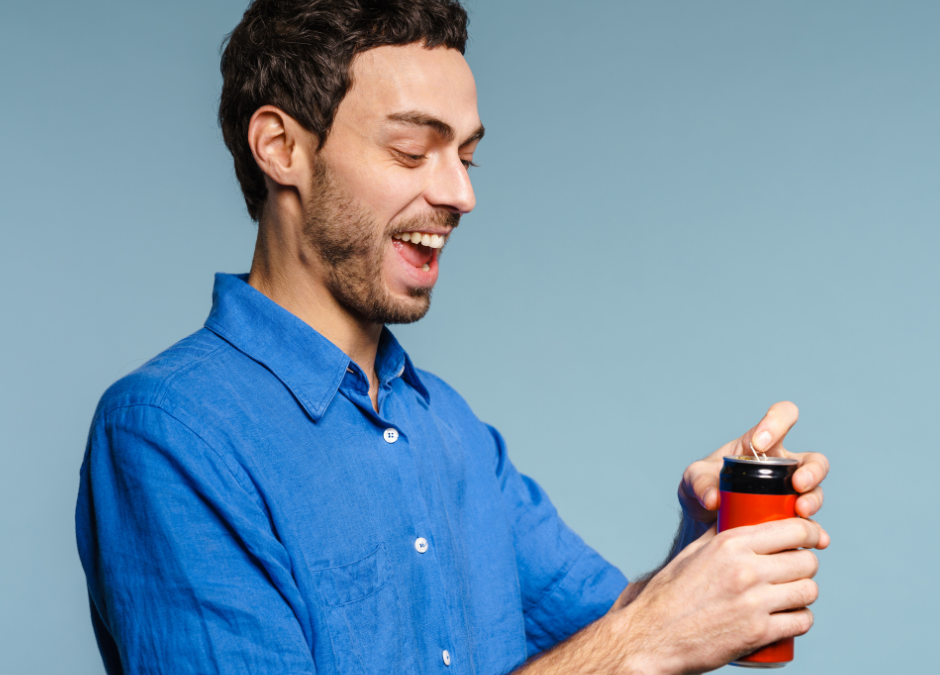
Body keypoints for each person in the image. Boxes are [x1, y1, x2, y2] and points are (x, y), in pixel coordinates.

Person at [75, 1, 830, 674]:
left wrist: (696, 567)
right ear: (281, 147)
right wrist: (645, 642)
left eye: (466, 155)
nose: (460, 194)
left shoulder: (452, 431)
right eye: (412, 151)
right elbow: (626, 650)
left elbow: (608, 632)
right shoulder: (169, 433)